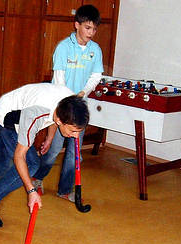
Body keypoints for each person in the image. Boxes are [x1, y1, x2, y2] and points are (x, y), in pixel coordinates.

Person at [0, 82, 89, 228]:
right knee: (31, 163)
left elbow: (55, 118)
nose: (76, 136)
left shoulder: (70, 103)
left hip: (20, 108)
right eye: (73, 131)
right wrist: (31, 190)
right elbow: (19, 156)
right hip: (8, 117)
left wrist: (49, 138)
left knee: (1, 164)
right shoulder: (36, 113)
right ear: (60, 120)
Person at [32, 4, 103, 202]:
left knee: (75, 152)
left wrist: (83, 92)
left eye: (94, 29)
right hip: (62, 107)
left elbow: (96, 75)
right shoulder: (63, 47)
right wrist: (68, 100)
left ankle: (65, 189)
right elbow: (59, 78)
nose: (91, 33)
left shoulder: (95, 50)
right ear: (77, 25)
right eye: (88, 28)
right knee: (53, 149)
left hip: (80, 109)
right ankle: (38, 177)